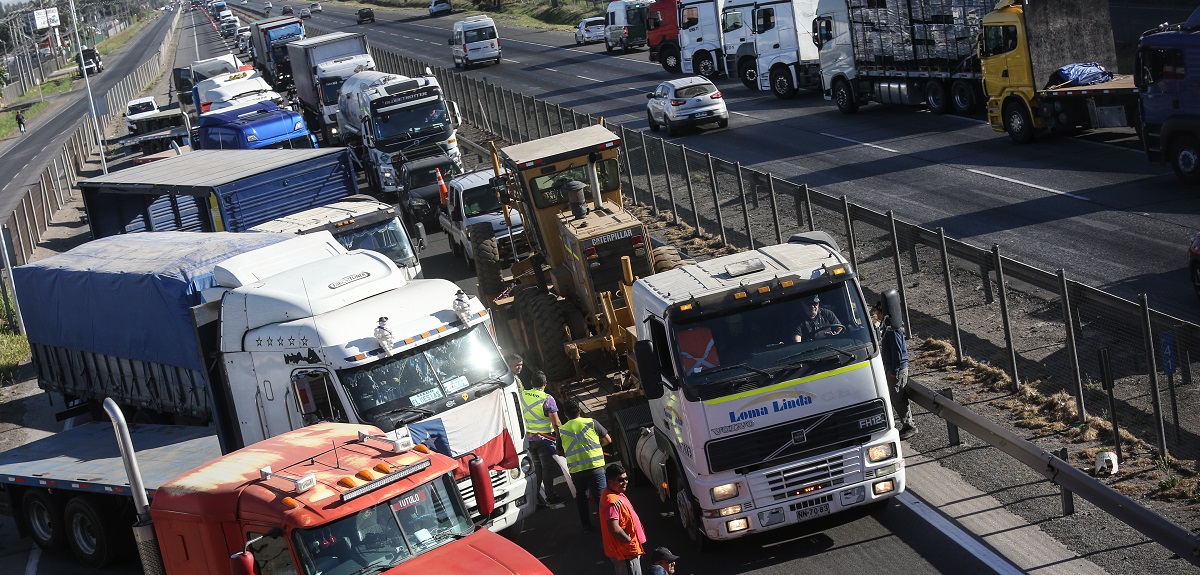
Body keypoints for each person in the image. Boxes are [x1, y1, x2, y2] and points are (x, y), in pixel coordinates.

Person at [557, 398, 611, 532]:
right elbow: (608, 440)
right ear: (579, 410)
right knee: (601, 498)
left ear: (565, 414)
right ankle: (608, 526)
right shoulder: (592, 422)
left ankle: (586, 526)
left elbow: (559, 452)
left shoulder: (561, 430)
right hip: (595, 467)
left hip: (576, 471)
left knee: (581, 498)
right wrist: (597, 446)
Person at [873, 301, 916, 440]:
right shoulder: (888, 326)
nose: (876, 314)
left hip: (897, 369)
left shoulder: (892, 329)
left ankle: (910, 426)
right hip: (893, 367)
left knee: (898, 398)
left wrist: (894, 371)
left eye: (878, 312)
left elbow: (897, 351)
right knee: (895, 397)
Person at [520, 369, 563, 506]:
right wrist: (562, 439)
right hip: (544, 439)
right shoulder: (547, 399)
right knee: (547, 468)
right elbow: (556, 423)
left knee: (536, 469)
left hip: (528, 440)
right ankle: (550, 496)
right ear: (545, 383)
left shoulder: (522, 395)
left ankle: (537, 497)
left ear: (531, 382)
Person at [600, 463, 646, 575]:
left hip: (628, 551)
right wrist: (629, 542)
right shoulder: (611, 502)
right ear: (611, 482)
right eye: (621, 480)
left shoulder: (616, 493)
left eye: (626, 478)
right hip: (625, 554)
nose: (625, 482)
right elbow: (615, 529)